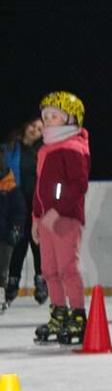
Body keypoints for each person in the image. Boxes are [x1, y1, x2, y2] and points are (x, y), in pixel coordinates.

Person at [32, 92, 90, 345]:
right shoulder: (45, 150)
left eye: (54, 116)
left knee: (67, 267)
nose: (47, 121)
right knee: (49, 269)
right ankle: (59, 312)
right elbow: (39, 189)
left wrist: (57, 210)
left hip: (65, 218)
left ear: (70, 119)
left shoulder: (74, 147)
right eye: (45, 117)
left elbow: (78, 185)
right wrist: (36, 217)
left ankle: (78, 314)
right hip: (45, 220)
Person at [2, 117, 47, 305]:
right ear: (26, 125)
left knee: (39, 246)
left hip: (36, 206)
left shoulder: (42, 151)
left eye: (39, 129)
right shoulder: (9, 148)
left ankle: (41, 281)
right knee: (17, 245)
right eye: (33, 126)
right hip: (15, 205)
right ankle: (12, 283)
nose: (35, 130)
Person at [0, 154, 25, 311]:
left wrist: (16, 228)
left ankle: (1, 296)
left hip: (5, 236)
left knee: (2, 269)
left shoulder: (11, 188)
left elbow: (19, 211)